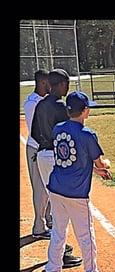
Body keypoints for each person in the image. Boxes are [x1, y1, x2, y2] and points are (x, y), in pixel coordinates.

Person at [45, 91, 115, 272]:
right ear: (85, 111)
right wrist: (104, 166)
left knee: (58, 232)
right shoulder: (87, 134)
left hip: (56, 187)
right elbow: (100, 162)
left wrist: (94, 170)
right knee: (85, 234)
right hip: (76, 193)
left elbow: (72, 161)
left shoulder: (58, 129)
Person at [31, 68, 82, 268]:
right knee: (62, 208)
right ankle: (60, 253)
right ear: (59, 85)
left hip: (42, 155)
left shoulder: (40, 105)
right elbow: (66, 136)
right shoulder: (60, 106)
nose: (67, 88)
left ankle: (61, 251)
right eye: (65, 84)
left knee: (55, 204)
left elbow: (34, 132)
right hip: (55, 157)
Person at [23, 69, 53, 239]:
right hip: (36, 148)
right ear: (42, 83)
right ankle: (39, 227)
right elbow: (36, 130)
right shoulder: (32, 103)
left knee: (48, 186)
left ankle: (48, 218)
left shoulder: (44, 101)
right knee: (40, 189)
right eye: (49, 83)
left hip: (44, 148)